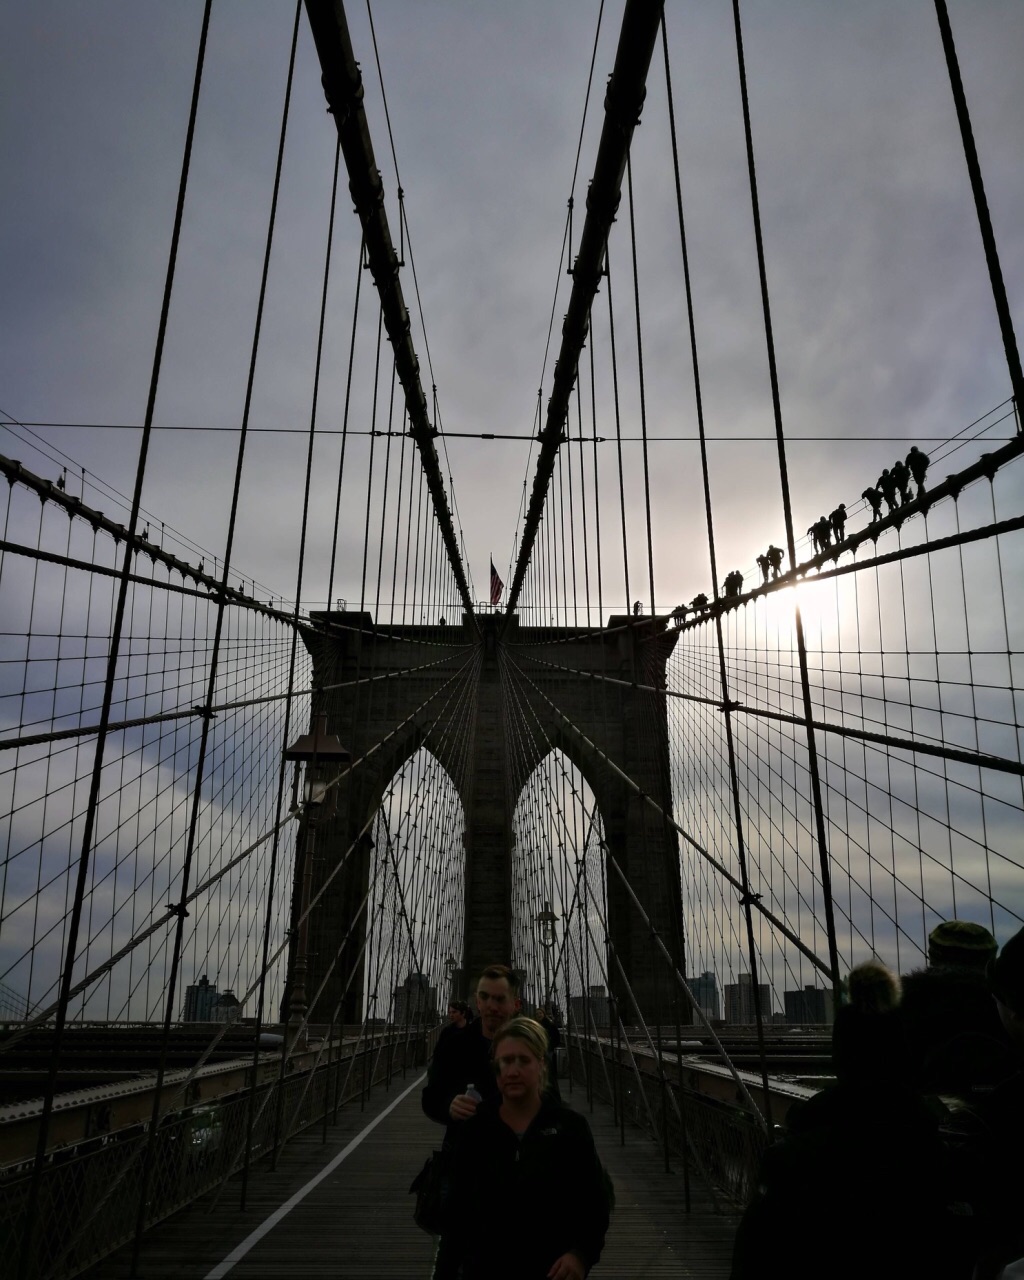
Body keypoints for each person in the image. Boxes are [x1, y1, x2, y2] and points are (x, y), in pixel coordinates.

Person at [437, 1017, 611, 1279]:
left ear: (542, 1064)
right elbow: (455, 1216)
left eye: (524, 1060)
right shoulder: (475, 1130)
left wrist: (580, 1255)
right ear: (495, 1070)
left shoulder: (570, 1128)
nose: (513, 1071)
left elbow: (594, 1203)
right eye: (505, 1062)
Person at [422, 964, 522, 1144]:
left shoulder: (530, 1048)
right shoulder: (453, 1045)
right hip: (465, 1154)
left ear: (516, 1004)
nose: (491, 1006)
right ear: (477, 1002)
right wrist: (449, 1107)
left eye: (500, 999)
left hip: (517, 1154)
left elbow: (550, 1100)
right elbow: (431, 1097)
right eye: (484, 997)